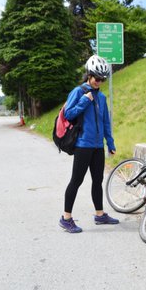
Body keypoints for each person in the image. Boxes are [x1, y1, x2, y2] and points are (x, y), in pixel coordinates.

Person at [59, 55, 119, 233]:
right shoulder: (78, 92)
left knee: (98, 181)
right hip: (83, 145)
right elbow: (68, 114)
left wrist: (110, 142)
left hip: (98, 146)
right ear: (89, 75)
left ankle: (99, 214)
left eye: (102, 79)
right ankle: (66, 218)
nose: (99, 82)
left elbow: (106, 122)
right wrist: (85, 100)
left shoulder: (101, 97)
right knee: (76, 181)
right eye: (97, 78)